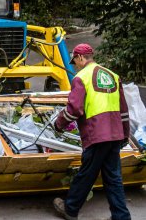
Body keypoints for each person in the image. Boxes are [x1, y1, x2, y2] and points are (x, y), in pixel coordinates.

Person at [52, 43, 131, 220]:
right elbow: (123, 110)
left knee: (86, 174)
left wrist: (59, 124)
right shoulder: (112, 76)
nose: (75, 65)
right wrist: (124, 134)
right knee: (113, 177)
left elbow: (74, 109)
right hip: (115, 133)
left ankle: (70, 209)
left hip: (97, 134)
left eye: (75, 62)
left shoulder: (81, 78)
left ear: (80, 58)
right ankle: (121, 216)